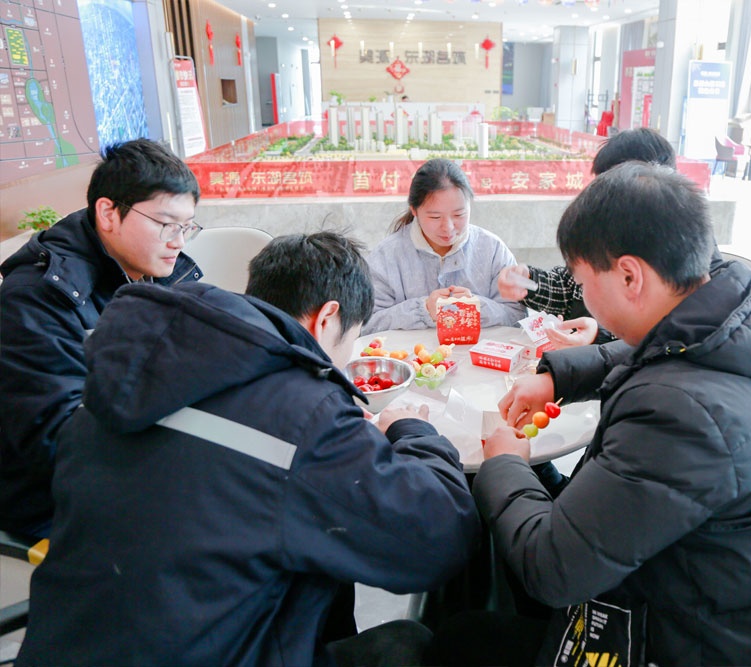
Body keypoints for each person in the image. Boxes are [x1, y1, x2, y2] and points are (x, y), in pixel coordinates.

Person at [15, 231, 481, 667]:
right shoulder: (303, 413)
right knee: (409, 643)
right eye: (353, 338)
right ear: (327, 319)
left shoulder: (121, 373)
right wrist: (413, 432)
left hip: (66, 645)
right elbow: (437, 539)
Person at [429, 163, 751, 666]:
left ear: (630, 276)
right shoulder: (735, 311)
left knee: (456, 639)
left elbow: (551, 570)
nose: (582, 296)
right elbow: (659, 348)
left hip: (688, 643)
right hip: (710, 597)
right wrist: (557, 377)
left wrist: (504, 461)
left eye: (581, 281)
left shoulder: (682, 416)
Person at [0, 138, 203, 539]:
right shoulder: (38, 297)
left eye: (186, 227)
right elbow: (56, 439)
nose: (179, 242)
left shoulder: (159, 272)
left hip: (133, 471)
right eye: (166, 224)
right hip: (55, 502)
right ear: (108, 213)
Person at [496, 127, 678, 348]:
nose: (603, 199)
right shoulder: (610, 229)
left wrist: (599, 336)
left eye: (612, 188)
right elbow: (570, 287)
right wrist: (530, 281)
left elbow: (662, 341)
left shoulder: (677, 261)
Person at [363, 158, 525, 333]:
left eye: (459, 214)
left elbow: (518, 317)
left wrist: (479, 308)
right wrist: (423, 309)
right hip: (409, 352)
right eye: (435, 217)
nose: (448, 227)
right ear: (414, 210)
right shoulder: (386, 256)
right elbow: (364, 324)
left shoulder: (492, 250)